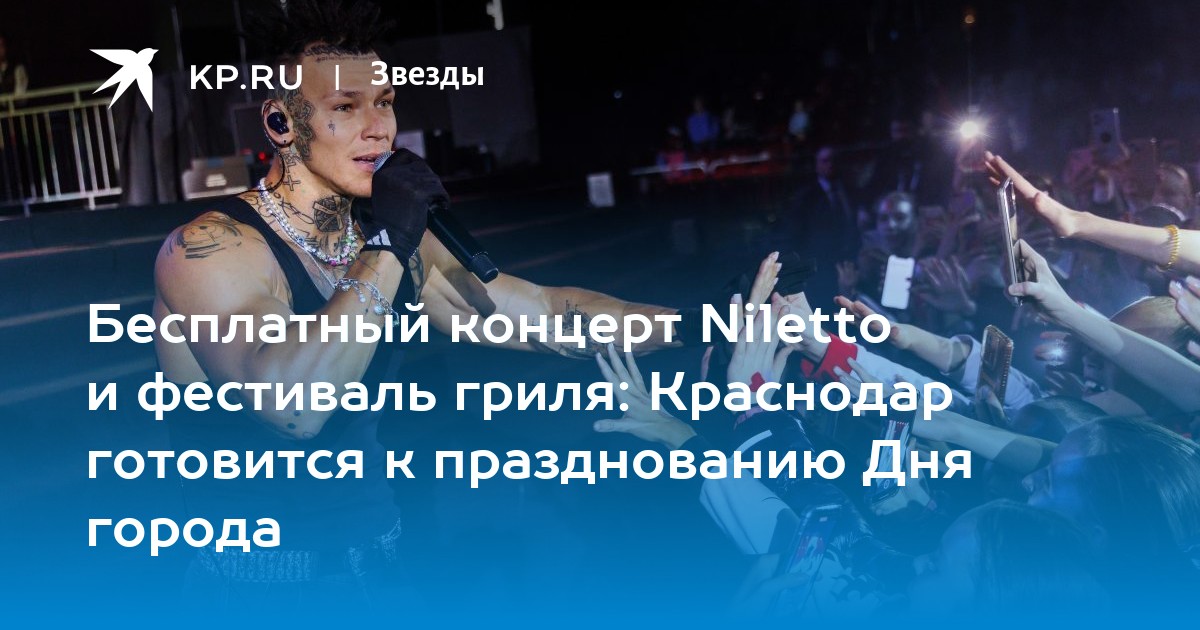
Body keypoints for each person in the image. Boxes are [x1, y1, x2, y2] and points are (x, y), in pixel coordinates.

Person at [151, 0, 711, 610]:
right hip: (256, 587)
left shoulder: (389, 243)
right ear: (282, 123)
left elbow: (549, 317)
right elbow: (293, 409)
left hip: (380, 568)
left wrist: (716, 324)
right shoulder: (211, 249)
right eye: (346, 107)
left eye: (385, 102)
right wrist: (389, 244)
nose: (378, 128)